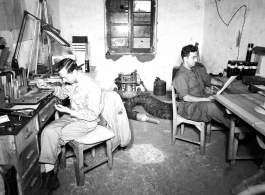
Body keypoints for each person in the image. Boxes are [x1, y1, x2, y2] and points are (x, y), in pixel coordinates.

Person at [36, 58, 103, 194]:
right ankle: (50, 174)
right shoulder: (72, 80)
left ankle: (49, 176)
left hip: (86, 122)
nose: (64, 80)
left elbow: (92, 115)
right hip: (72, 117)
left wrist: (69, 111)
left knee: (55, 138)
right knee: (47, 131)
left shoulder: (91, 87)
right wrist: (48, 87)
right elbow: (63, 92)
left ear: (74, 71)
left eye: (65, 77)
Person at [172, 44, 230, 127]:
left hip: (201, 99)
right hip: (188, 107)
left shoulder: (196, 69)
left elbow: (209, 79)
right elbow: (186, 97)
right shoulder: (180, 76)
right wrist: (207, 99)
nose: (196, 60)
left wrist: (222, 84)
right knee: (211, 106)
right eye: (193, 57)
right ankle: (234, 130)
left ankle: (237, 125)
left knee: (222, 101)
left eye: (196, 57)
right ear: (185, 59)